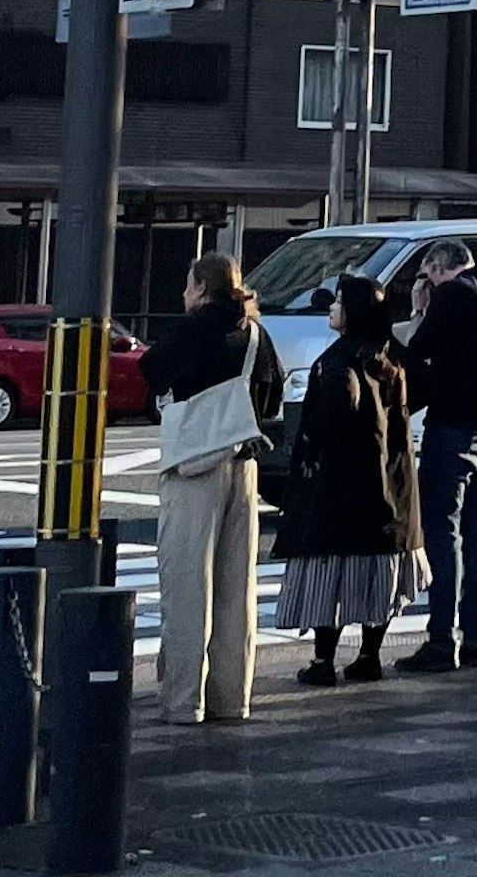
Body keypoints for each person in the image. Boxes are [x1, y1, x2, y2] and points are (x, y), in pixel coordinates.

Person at [151, 253, 286, 726]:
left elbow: (152, 371)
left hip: (194, 466)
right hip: (243, 465)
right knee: (236, 590)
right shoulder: (255, 334)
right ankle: (233, 698)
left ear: (202, 289)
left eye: (189, 286)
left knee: (188, 588)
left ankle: (184, 700)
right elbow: (275, 392)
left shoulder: (194, 329)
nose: (184, 295)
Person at [273, 273, 421, 686]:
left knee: (329, 577)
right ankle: (369, 656)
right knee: (379, 577)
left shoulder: (338, 362)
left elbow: (333, 417)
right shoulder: (390, 357)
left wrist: (309, 450)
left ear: (353, 312)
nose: (333, 307)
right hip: (390, 487)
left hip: (339, 488)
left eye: (338, 301)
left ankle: (323, 661)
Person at [396, 242, 477, 674]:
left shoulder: (452, 294)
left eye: (427, 276)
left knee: (443, 535)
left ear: (439, 269)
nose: (427, 284)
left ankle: (441, 641)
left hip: (451, 425)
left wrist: (420, 308)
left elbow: (417, 346)